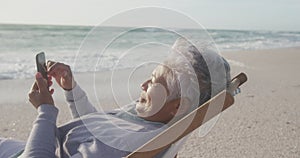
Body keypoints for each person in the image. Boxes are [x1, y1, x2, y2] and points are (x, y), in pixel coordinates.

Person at [0, 38, 231, 158]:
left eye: (153, 83)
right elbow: (96, 132)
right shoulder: (151, 122)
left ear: (177, 105)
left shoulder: (133, 143)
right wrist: (71, 90)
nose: (143, 85)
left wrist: (45, 110)